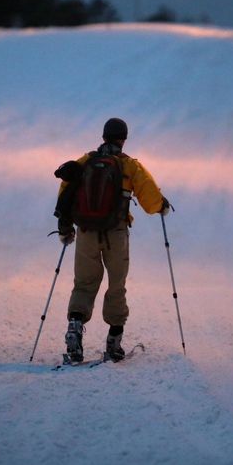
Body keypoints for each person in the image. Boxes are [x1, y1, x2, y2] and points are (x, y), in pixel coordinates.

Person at [55, 118, 170, 363]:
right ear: (123, 138)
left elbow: (65, 190)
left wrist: (66, 228)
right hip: (116, 234)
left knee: (84, 284)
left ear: (104, 136)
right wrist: (162, 206)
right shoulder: (130, 166)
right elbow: (151, 199)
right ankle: (113, 342)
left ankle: (75, 329)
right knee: (116, 285)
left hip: (86, 232)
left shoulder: (86, 161)